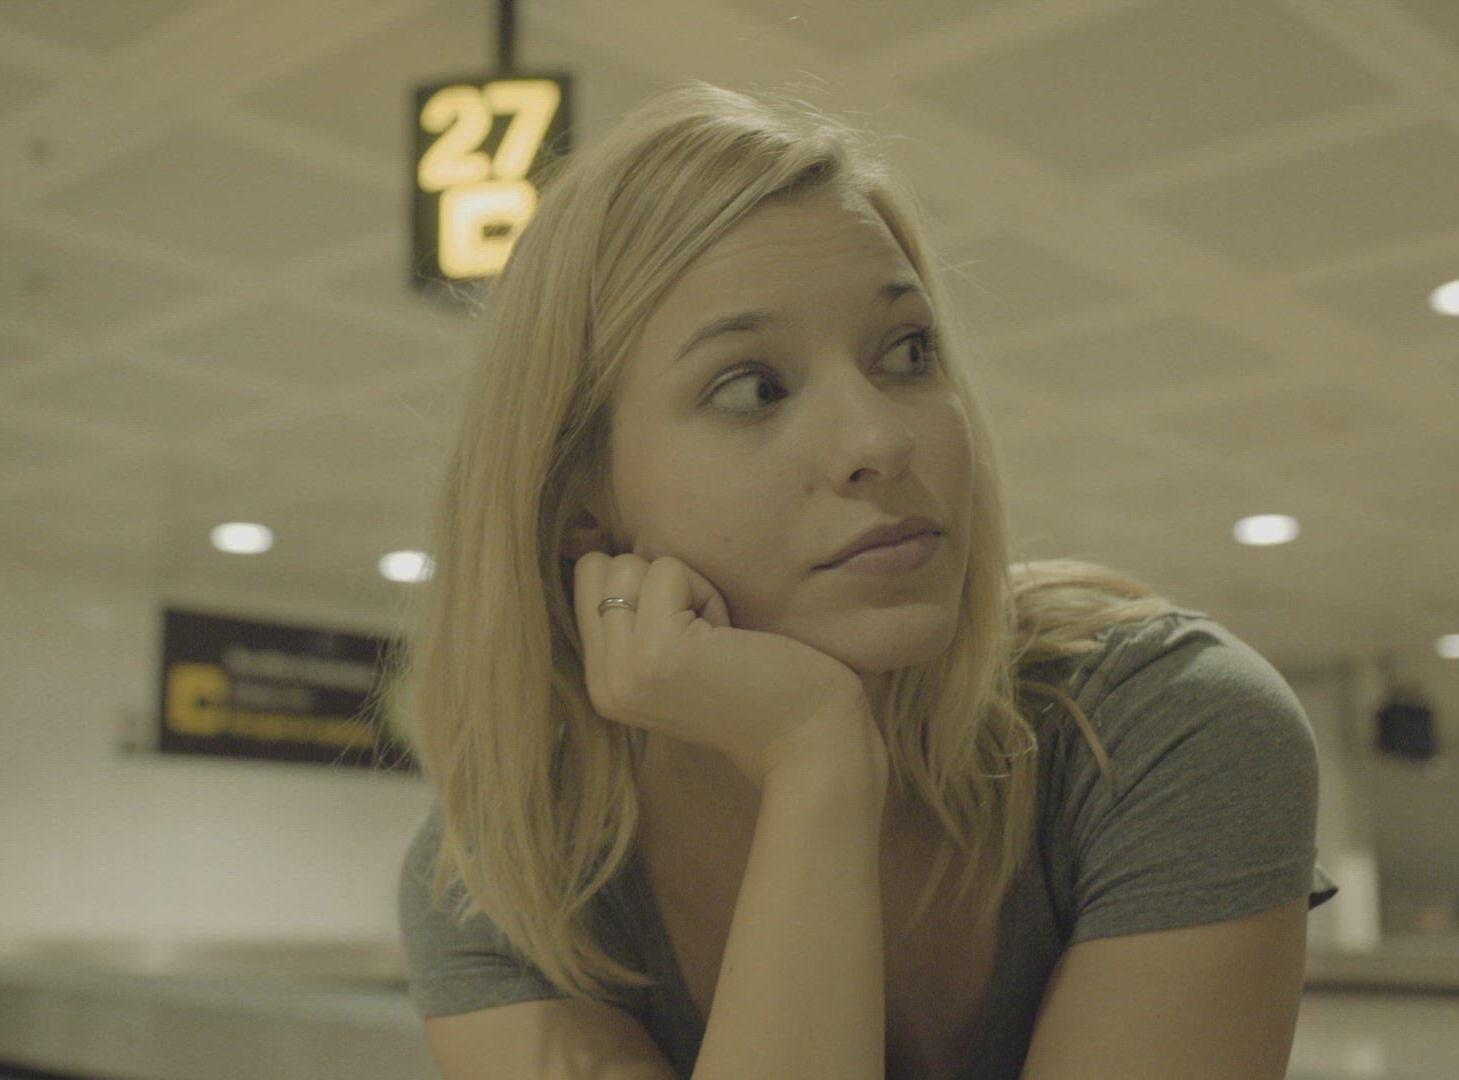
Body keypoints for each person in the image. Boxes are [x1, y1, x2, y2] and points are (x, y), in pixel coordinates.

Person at [389, 81, 1338, 1080]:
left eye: (907, 352)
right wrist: (817, 759)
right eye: (752, 387)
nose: (882, 439)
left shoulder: (1163, 731)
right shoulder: (507, 879)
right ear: (580, 504)